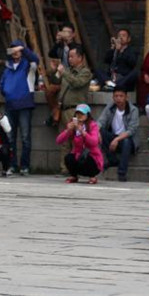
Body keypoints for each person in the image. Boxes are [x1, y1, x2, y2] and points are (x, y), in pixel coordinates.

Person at [50, 44, 93, 175]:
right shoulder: (67, 71)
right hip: (63, 109)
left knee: (76, 140)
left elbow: (76, 83)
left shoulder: (85, 72)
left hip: (76, 110)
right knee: (64, 140)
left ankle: (76, 168)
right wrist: (55, 71)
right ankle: (64, 168)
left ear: (80, 57)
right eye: (69, 57)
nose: (69, 59)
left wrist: (64, 73)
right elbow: (54, 81)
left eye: (72, 56)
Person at [0, 40, 38, 176]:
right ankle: (12, 165)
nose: (15, 52)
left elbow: (35, 59)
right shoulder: (7, 67)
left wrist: (23, 48)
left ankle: (25, 166)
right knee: (10, 137)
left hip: (25, 104)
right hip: (10, 105)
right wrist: (7, 92)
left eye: (18, 49)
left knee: (25, 137)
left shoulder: (29, 65)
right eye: (13, 49)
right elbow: (2, 85)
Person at [96, 88, 139, 182]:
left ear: (126, 97)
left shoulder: (133, 110)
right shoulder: (110, 107)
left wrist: (117, 139)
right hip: (113, 136)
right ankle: (112, 160)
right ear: (113, 97)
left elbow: (131, 130)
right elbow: (100, 121)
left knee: (126, 141)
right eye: (116, 96)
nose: (118, 98)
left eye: (121, 96)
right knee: (101, 132)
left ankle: (122, 173)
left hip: (127, 139)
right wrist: (97, 131)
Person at [56, 103, 103, 184]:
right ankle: (74, 175)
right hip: (78, 156)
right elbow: (58, 141)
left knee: (89, 159)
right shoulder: (73, 125)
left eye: (82, 114)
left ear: (87, 115)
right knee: (69, 158)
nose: (80, 116)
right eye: (78, 114)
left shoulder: (92, 125)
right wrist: (68, 130)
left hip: (91, 156)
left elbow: (94, 142)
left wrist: (83, 132)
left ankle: (92, 176)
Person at [44, 23, 75, 120]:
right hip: (61, 74)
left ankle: (55, 115)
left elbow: (76, 52)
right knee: (49, 90)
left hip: (71, 76)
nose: (65, 34)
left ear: (73, 34)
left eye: (68, 32)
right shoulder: (61, 47)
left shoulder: (76, 46)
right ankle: (55, 111)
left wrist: (68, 42)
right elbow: (51, 54)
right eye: (64, 32)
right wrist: (57, 42)